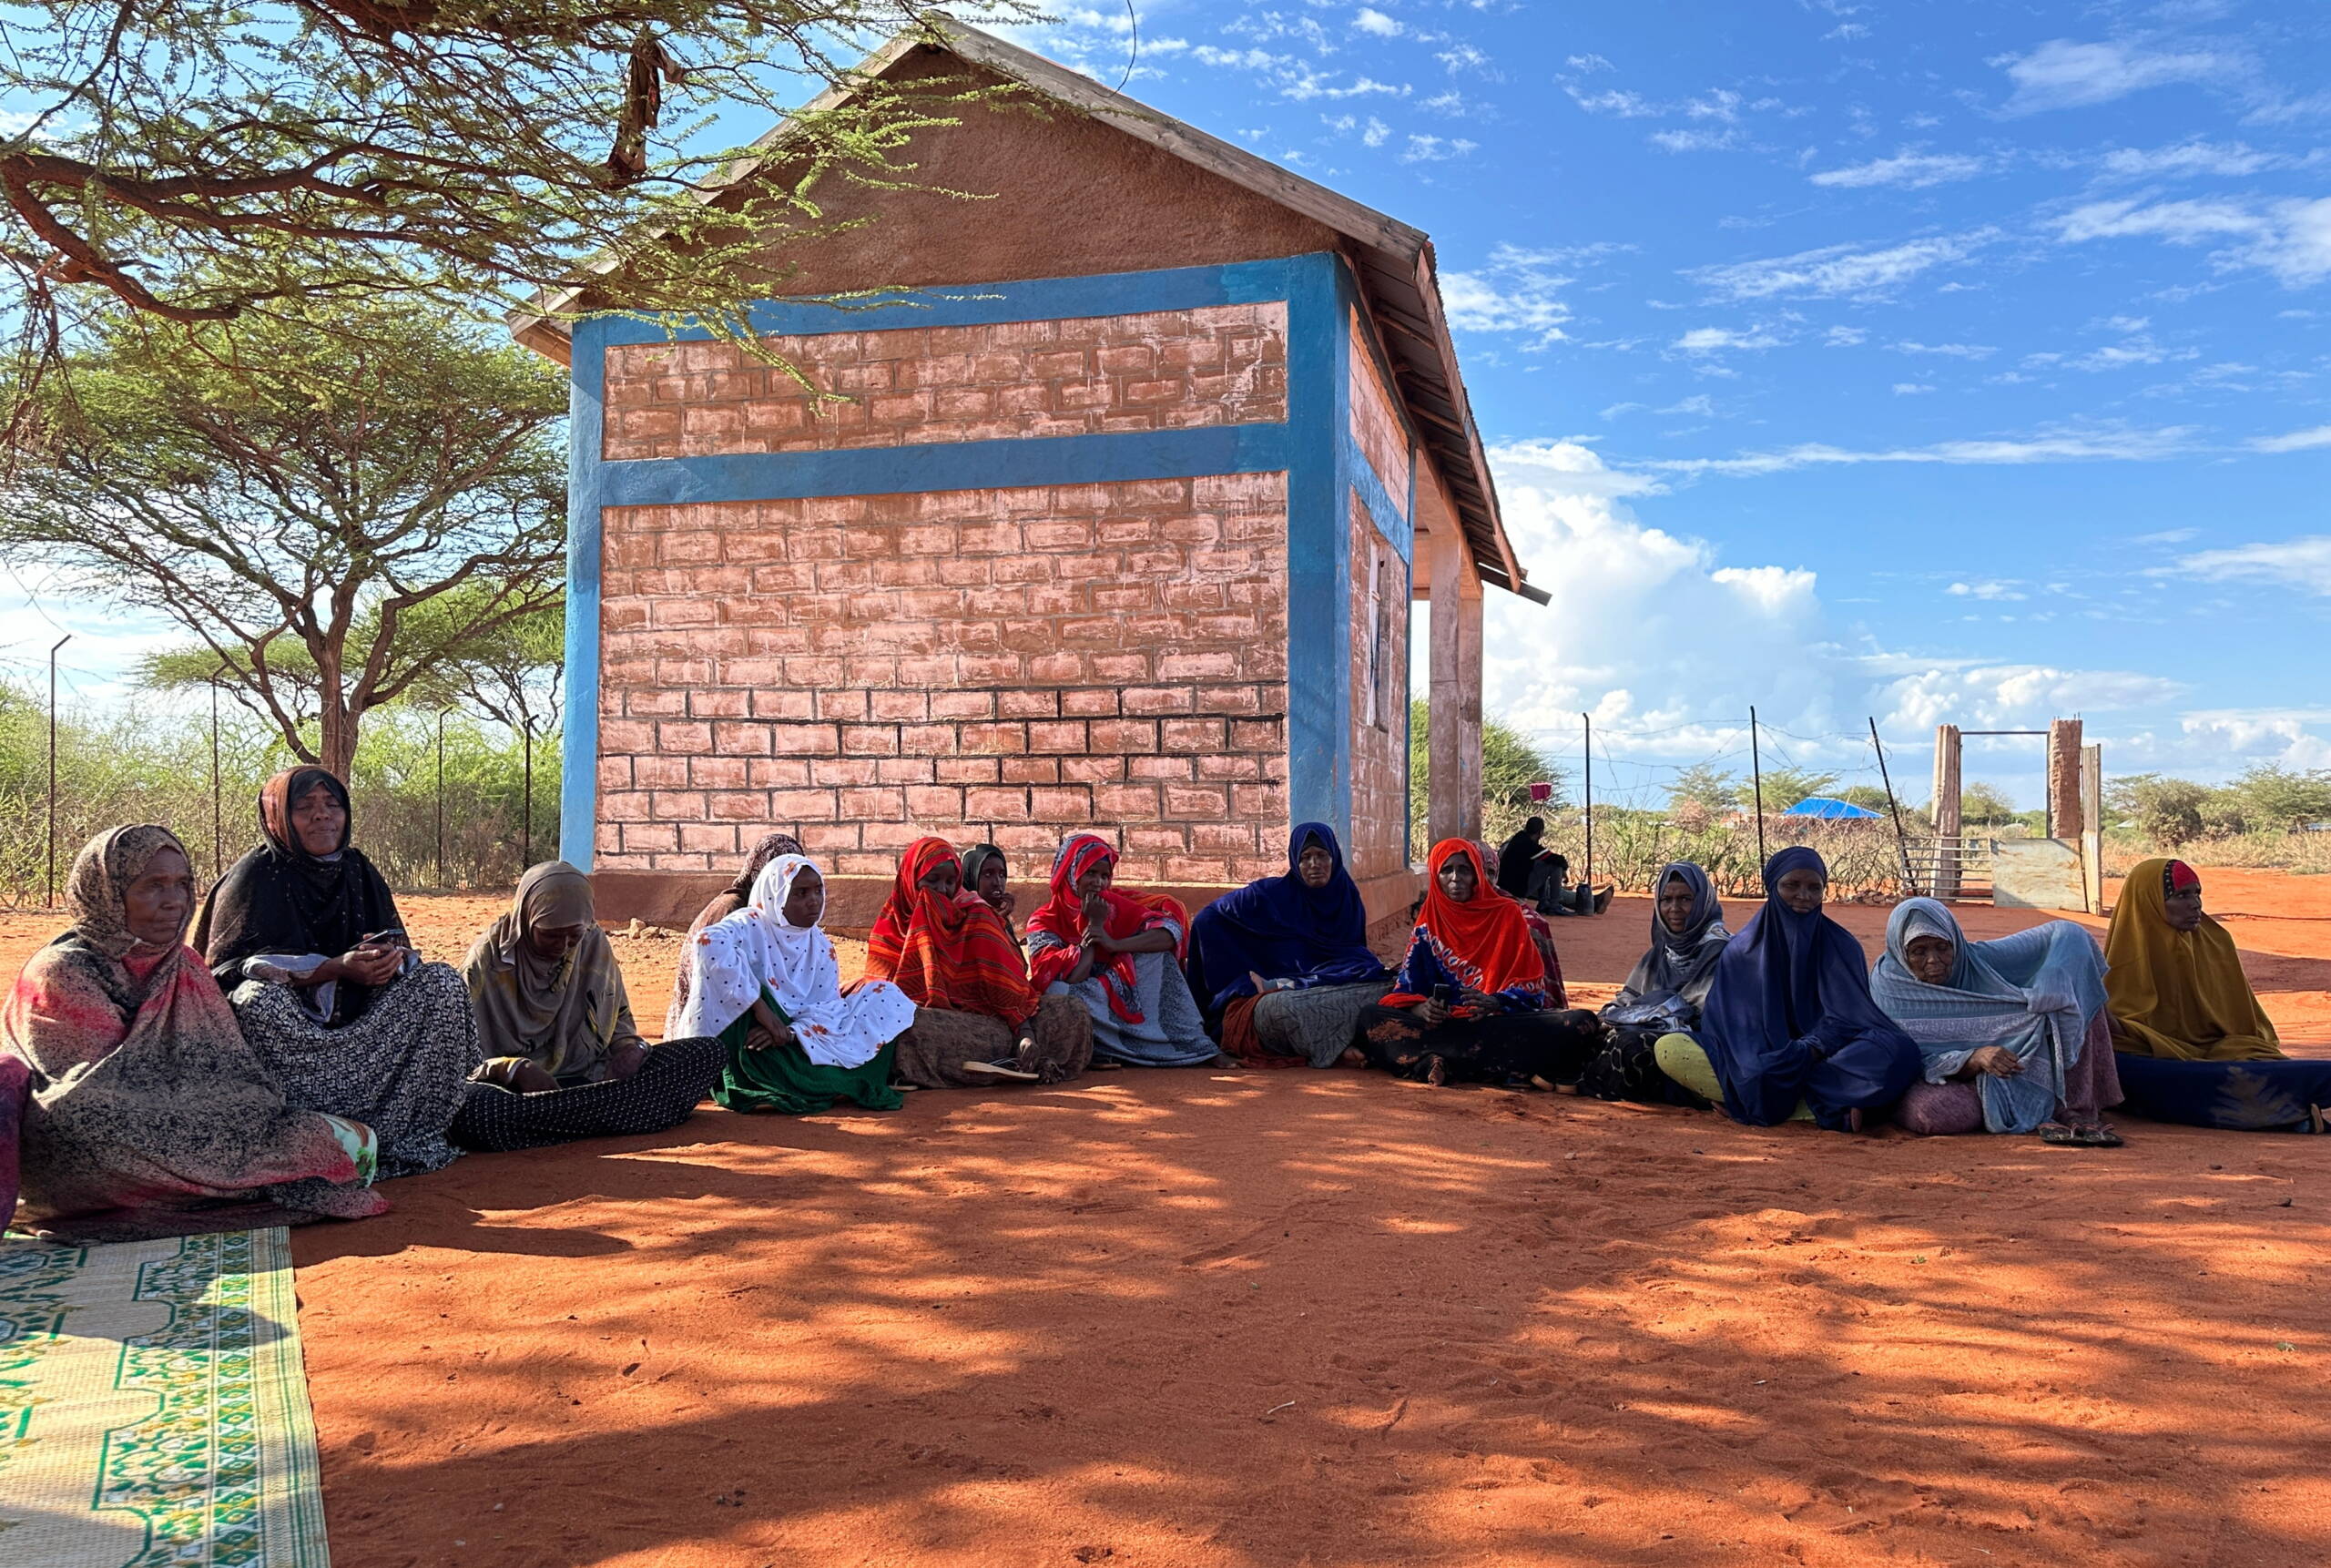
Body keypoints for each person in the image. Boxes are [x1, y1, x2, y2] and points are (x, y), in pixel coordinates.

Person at [5, 825, 384, 1239]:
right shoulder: (64, 970)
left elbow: (229, 1068)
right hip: (104, 1132)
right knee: (89, 1126)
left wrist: (231, 1105)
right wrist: (193, 1112)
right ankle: (216, 1187)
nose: (173, 902)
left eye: (182, 884)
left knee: (334, 1140)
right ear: (107, 893)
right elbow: (88, 1093)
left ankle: (199, 1185)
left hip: (185, 1122)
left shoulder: (182, 963)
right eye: (152, 886)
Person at [195, 767, 479, 1177]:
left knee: (439, 982)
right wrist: (331, 969)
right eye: (304, 806)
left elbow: (396, 943)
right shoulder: (256, 875)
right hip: (296, 1040)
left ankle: (398, 1132)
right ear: (277, 817)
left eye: (332, 805)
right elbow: (225, 973)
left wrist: (382, 960)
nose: (321, 815)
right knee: (257, 1002)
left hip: (363, 1026)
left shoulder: (357, 868)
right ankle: (306, 1138)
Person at [453, 861, 728, 1150]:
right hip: (516, 1092)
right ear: (526, 918)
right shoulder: (486, 962)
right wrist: (514, 1069)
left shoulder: (593, 942)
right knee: (473, 1112)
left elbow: (619, 1024)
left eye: (574, 935)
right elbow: (458, 1062)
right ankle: (606, 1119)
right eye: (550, 935)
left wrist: (633, 1049)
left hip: (593, 1080)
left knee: (706, 1052)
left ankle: (552, 1125)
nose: (564, 946)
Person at [1657, 846, 1919, 1131]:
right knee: (1673, 1048)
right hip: (1764, 1057)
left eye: (1813, 888)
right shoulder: (1741, 952)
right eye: (1791, 885)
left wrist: (1811, 1048)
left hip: (1826, 1054)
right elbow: (1736, 1031)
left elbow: (1851, 1017)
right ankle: (1823, 1104)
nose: (1803, 896)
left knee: (1900, 1051)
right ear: (1772, 887)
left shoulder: (1842, 946)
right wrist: (1785, 1058)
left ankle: (1767, 1101)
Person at [675, 852, 914, 1114]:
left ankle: (800, 1071)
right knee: (741, 981)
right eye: (800, 893)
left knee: (885, 996)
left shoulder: (821, 947)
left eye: (818, 891)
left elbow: (825, 1006)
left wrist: (792, 1033)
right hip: (750, 1037)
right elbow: (707, 942)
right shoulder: (751, 923)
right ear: (775, 897)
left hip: (787, 1038)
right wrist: (761, 1009)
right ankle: (769, 1076)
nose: (813, 901)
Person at [2103, 858, 2331, 1132]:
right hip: (2158, 1061)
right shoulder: (2127, 952)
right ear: (2149, 901)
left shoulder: (2215, 943)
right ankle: (2287, 1112)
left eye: (2197, 893)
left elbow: (2241, 1028)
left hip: (2218, 1055)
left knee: (2233, 1073)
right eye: (2181, 895)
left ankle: (2287, 1101)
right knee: (2120, 1070)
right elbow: (2115, 1031)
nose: (2196, 904)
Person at [1872, 898, 2123, 1145]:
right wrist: (1972, 1058)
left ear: (1956, 943)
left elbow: (2067, 935)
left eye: (1942, 947)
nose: (1933, 960)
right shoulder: (1889, 988)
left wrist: (2052, 979)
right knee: (1932, 1113)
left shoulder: (1975, 960)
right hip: (1938, 1076)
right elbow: (1903, 1058)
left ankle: (2070, 1105)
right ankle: (2030, 1106)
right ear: (1900, 950)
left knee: (2069, 997)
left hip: (2016, 1070)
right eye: (1918, 952)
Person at [1355, 839, 1602, 1086]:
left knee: (1581, 1022)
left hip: (1494, 1023)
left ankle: (1436, 1061)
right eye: (1446, 870)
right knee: (1370, 1017)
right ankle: (1492, 1067)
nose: (1455, 878)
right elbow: (1408, 988)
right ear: (1435, 875)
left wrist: (1496, 1001)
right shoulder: (1428, 924)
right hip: (1445, 1025)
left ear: (1477, 875)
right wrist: (1421, 1008)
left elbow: (1533, 991)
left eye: (1464, 869)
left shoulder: (1507, 914)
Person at [868, 837, 1092, 1087]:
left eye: (950, 882)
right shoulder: (891, 925)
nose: (942, 890)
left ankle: (1007, 1059)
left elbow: (1012, 982)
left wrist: (1025, 1032)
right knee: (907, 1029)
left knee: (1072, 1010)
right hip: (944, 1023)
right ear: (910, 880)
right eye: (932, 881)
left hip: (1000, 1018)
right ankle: (1013, 1061)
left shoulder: (975, 913)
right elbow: (883, 996)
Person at [1187, 823, 1393, 1069]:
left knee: (1376, 977)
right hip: (1285, 994)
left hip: (1329, 980)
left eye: (1321, 855)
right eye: (1305, 858)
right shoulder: (1271, 895)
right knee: (1280, 1008)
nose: (1314, 864)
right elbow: (1207, 919)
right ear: (1295, 862)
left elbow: (1352, 956)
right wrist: (1235, 975)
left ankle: (1332, 1040)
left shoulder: (1346, 897)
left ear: (1334, 857)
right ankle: (1334, 1045)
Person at [1027, 834, 1226, 1068]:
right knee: (1056, 990)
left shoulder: (1114, 905)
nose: (1098, 883)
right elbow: (1072, 977)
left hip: (1119, 989)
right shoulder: (1042, 921)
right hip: (1086, 996)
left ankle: (1195, 1045)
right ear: (1071, 873)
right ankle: (1103, 1048)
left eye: (1104, 876)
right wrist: (1094, 928)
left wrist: (1115, 945)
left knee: (1159, 961)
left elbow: (1169, 933)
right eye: (1090, 873)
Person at [1578, 862, 1729, 1104]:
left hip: (1692, 1044)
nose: (1674, 908)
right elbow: (1628, 998)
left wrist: (1649, 1018)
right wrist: (1609, 1016)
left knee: (1633, 1045)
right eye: (1666, 899)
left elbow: (1712, 1021)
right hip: (1645, 1026)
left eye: (1685, 899)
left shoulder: (1723, 952)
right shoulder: (1661, 952)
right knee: (1580, 1025)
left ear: (1703, 901)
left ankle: (1582, 1082)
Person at [666, 832, 804, 1037]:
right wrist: (762, 1009)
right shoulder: (733, 911)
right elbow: (721, 976)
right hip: (713, 1024)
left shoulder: (767, 913)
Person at [961, 843, 1020, 942]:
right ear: (971, 877)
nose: (997, 883)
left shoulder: (1003, 920)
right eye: (988, 874)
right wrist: (993, 924)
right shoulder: (961, 920)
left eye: (1002, 875)